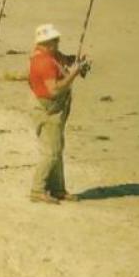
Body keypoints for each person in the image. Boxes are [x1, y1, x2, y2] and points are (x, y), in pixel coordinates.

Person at [28, 23, 90, 204]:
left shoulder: (50, 55)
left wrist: (76, 61)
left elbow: (64, 59)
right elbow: (54, 90)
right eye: (55, 40)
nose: (58, 42)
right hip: (48, 110)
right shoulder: (43, 62)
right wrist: (74, 74)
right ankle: (37, 190)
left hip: (54, 109)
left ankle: (58, 189)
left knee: (57, 148)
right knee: (51, 153)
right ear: (48, 43)